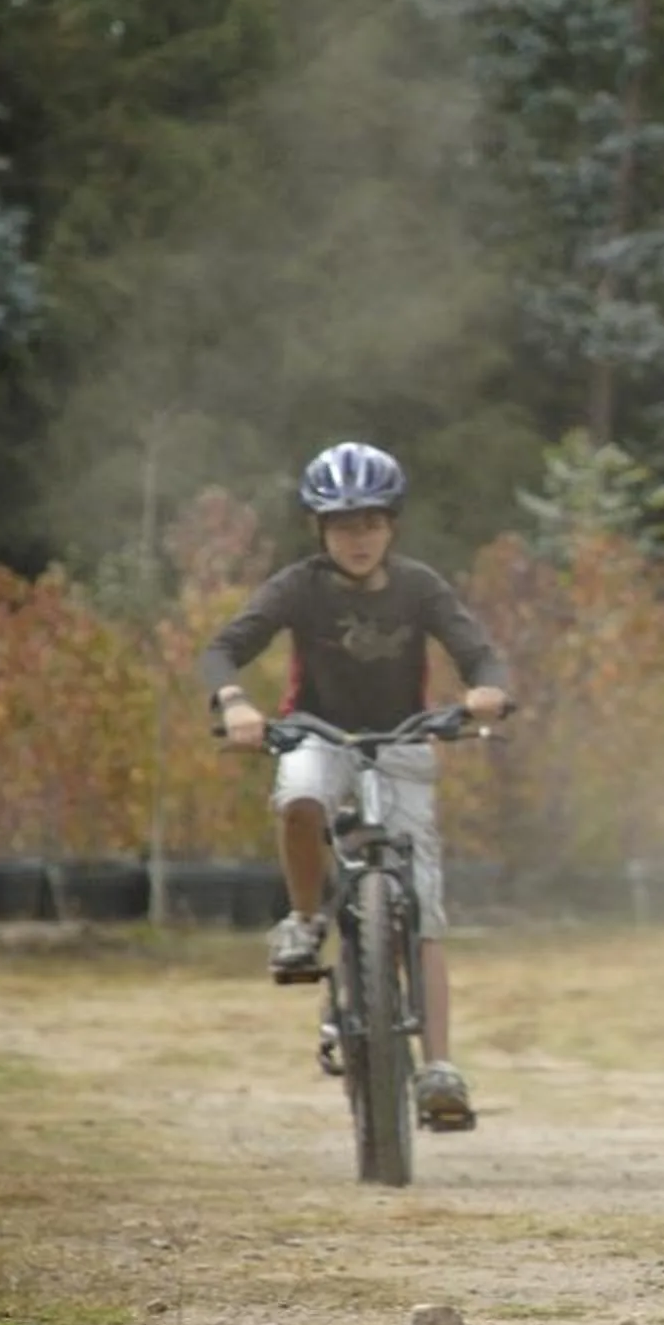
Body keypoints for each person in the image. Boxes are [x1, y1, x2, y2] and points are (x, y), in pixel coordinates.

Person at [201, 441, 514, 1132]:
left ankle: (439, 1067)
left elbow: (480, 652)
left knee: (426, 909)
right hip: (316, 731)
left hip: (404, 739)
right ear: (320, 529)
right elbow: (223, 648)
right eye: (343, 525)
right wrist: (235, 703)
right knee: (301, 797)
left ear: (392, 524)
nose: (359, 538)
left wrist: (488, 689)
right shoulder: (297, 587)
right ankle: (306, 920)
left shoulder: (420, 587)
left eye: (370, 522)